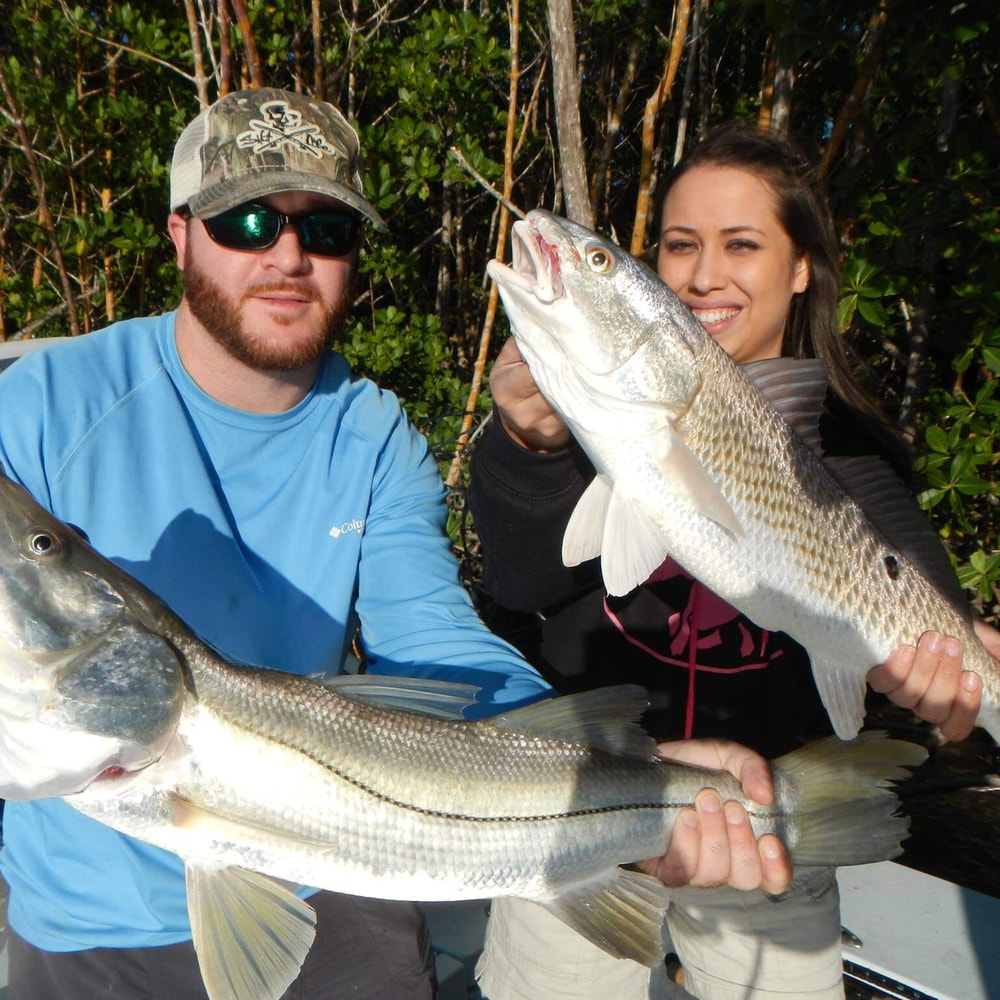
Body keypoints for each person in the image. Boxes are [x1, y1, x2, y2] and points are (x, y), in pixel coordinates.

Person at [0, 91, 794, 1000]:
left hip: (344, 866)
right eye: (246, 220)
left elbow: (434, 639)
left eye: (325, 228)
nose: (288, 255)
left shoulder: (374, 434)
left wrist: (632, 771)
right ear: (180, 234)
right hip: (90, 916)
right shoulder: (41, 406)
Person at [469, 123, 999, 1000]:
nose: (704, 273)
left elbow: (923, 595)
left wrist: (950, 667)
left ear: (801, 269)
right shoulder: (574, 423)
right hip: (584, 824)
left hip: (769, 835)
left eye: (741, 245)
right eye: (678, 247)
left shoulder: (855, 454)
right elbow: (523, 586)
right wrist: (527, 447)